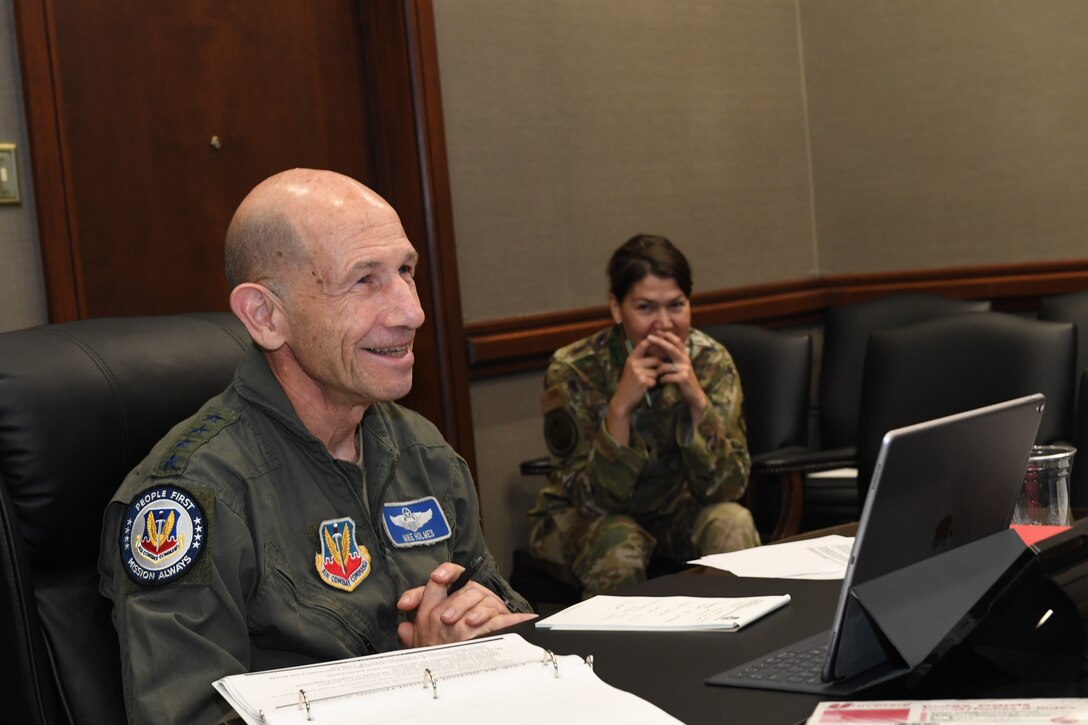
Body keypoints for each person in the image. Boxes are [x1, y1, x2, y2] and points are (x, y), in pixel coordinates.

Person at [98, 169, 535, 723]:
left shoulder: (419, 448)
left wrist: (487, 631)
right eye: (364, 280)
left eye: (405, 270)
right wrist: (424, 683)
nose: (411, 312)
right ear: (266, 315)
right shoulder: (191, 499)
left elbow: (506, 620)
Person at [527, 234, 758, 596]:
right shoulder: (575, 369)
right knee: (619, 540)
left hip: (673, 508)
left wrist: (697, 401)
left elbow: (728, 488)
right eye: (646, 308)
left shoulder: (710, 361)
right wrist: (620, 407)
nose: (664, 324)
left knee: (732, 522)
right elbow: (593, 501)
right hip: (587, 520)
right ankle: (623, 654)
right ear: (617, 308)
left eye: (676, 306)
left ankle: (745, 644)